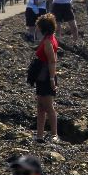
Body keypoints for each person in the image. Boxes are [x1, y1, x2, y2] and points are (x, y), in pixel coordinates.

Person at [32, 14, 59, 142]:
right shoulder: (50, 38)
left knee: (48, 106)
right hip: (43, 76)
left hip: (47, 76)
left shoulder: (48, 41)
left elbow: (52, 61)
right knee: (40, 106)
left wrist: (52, 79)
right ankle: (39, 135)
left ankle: (54, 135)